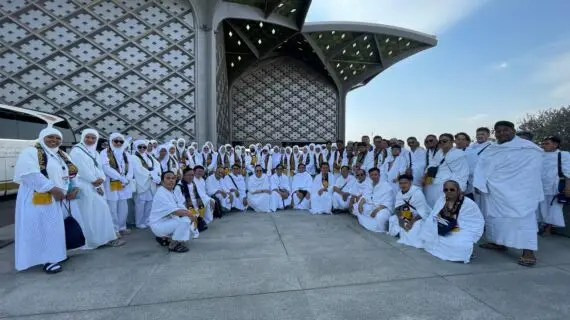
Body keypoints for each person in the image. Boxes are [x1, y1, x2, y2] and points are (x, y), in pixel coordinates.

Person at [13, 128, 84, 273]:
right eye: (50, 137)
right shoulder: (31, 152)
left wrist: (74, 188)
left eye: (58, 138)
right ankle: (47, 260)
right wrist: (52, 188)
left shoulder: (61, 154)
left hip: (58, 198)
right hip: (39, 199)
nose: (54, 140)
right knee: (43, 229)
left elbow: (72, 173)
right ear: (42, 137)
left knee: (56, 229)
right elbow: (30, 174)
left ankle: (57, 254)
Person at [474, 121, 543, 267]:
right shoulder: (492, 149)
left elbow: (533, 170)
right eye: (498, 131)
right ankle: (498, 243)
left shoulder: (529, 148)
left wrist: (521, 184)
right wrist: (480, 184)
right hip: (495, 191)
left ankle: (528, 252)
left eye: (505, 130)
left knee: (524, 220)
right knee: (496, 219)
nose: (502, 133)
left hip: (521, 192)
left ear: (513, 131)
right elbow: (481, 167)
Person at [70, 129, 124, 249]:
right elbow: (81, 169)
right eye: (88, 137)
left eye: (93, 138)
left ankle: (105, 238)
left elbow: (99, 167)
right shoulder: (77, 151)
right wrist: (94, 180)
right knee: (88, 214)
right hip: (85, 185)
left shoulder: (94, 152)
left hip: (97, 185)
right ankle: (92, 241)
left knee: (102, 211)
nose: (90, 140)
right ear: (83, 137)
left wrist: (102, 179)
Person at [420, 180, 484, 263]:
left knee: (460, 246)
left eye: (452, 189)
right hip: (442, 227)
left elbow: (476, 222)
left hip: (460, 229)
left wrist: (455, 224)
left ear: (458, 190)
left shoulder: (468, 204)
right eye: (446, 190)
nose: (449, 192)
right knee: (428, 236)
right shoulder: (441, 199)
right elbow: (433, 214)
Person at [148, 171, 194, 253]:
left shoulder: (171, 191)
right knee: (185, 221)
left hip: (166, 222)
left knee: (186, 219)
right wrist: (191, 215)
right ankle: (173, 244)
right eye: (168, 178)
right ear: (162, 181)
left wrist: (189, 213)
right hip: (158, 225)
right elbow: (175, 212)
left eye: (173, 178)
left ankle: (164, 238)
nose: (171, 180)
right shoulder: (161, 193)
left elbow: (180, 205)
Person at [423, 133, 469, 207]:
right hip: (432, 185)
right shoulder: (439, 152)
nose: (442, 143)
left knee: (445, 209)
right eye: (440, 141)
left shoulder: (457, 154)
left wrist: (460, 190)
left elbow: (462, 173)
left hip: (446, 187)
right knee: (432, 208)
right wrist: (425, 178)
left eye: (444, 141)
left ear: (452, 142)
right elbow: (431, 165)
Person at [101, 133, 133, 235]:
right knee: (113, 206)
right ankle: (114, 230)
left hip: (124, 184)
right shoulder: (105, 153)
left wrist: (127, 179)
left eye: (121, 141)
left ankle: (122, 227)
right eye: (116, 141)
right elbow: (106, 167)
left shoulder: (126, 154)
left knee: (123, 206)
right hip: (111, 182)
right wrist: (120, 178)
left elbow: (131, 169)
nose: (118, 143)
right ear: (111, 141)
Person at [387, 175, 431, 248]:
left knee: (415, 227)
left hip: (419, 216)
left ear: (410, 183)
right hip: (406, 213)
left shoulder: (417, 193)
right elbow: (397, 208)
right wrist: (400, 219)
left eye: (405, 183)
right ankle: (402, 233)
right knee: (393, 219)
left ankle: (406, 235)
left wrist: (411, 222)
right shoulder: (399, 193)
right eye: (401, 183)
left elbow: (423, 211)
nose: (403, 185)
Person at [537, 136, 569, 236]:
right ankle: (540, 226)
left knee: (554, 209)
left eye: (547, 143)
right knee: (540, 208)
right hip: (540, 186)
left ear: (555, 145)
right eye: (543, 143)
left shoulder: (563, 155)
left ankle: (548, 229)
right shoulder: (539, 154)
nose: (543, 145)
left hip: (555, 187)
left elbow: (568, 172)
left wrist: (568, 187)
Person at [355, 167, 394, 232]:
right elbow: (365, 196)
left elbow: (388, 202)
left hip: (382, 208)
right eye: (372, 175)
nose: (374, 176)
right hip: (371, 205)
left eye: (376, 175)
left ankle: (376, 227)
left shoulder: (386, 186)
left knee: (380, 216)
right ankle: (368, 223)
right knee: (358, 206)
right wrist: (360, 205)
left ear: (379, 175)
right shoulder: (369, 184)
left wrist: (377, 210)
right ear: (369, 176)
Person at [177, 167, 215, 234]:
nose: (190, 177)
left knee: (205, 203)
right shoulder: (179, 186)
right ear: (184, 175)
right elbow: (179, 201)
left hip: (195, 203)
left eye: (192, 175)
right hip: (185, 206)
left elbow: (199, 194)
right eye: (188, 175)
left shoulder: (193, 184)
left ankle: (199, 221)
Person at [131, 140, 156, 229]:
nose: (142, 149)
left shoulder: (147, 156)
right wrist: (151, 174)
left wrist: (155, 174)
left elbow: (153, 166)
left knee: (149, 203)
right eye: (140, 147)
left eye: (144, 147)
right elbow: (138, 170)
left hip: (149, 183)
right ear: (135, 147)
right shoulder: (134, 157)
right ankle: (139, 222)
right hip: (141, 182)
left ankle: (147, 220)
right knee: (140, 204)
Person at [464, 127, 493, 201]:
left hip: (483, 181)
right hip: (469, 180)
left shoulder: (492, 148)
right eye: (478, 134)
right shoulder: (470, 147)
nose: (480, 136)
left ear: (488, 135)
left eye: (483, 134)